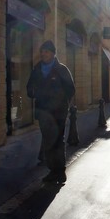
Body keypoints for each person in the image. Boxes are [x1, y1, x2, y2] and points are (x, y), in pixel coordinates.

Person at [26, 40, 75, 184]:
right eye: (42, 51)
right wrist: (32, 91)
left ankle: (59, 172)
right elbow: (29, 87)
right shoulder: (37, 69)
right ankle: (54, 171)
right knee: (48, 141)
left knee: (58, 141)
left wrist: (62, 103)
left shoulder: (62, 69)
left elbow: (70, 89)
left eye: (46, 51)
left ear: (53, 53)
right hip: (43, 112)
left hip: (58, 112)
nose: (43, 54)